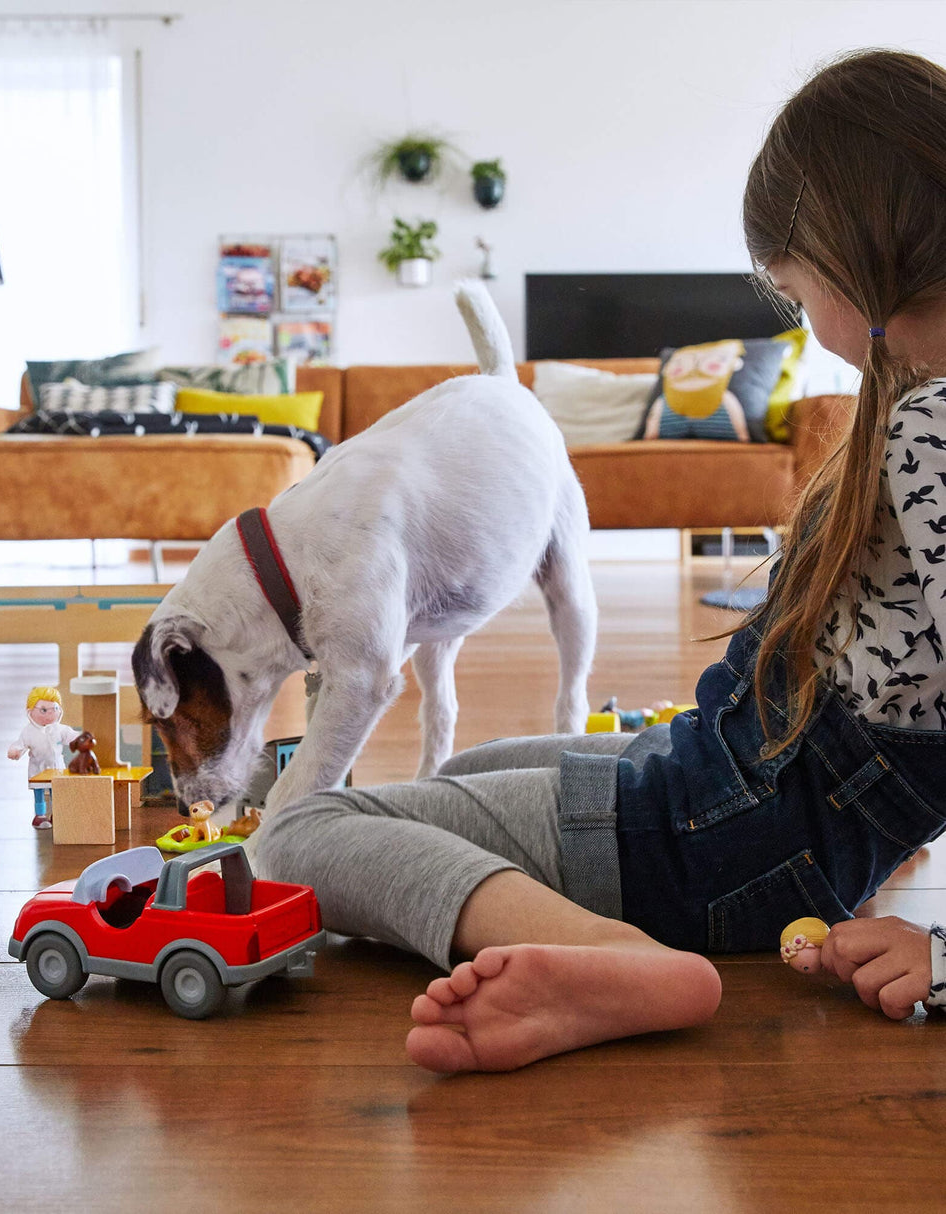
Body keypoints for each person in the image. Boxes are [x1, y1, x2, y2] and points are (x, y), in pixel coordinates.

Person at [255, 48, 946, 1073]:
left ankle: (613, 956)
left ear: (853, 250)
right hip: (742, 796)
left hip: (722, 842)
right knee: (473, 767)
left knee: (296, 835)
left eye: (796, 294)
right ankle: (584, 910)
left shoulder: (928, 423)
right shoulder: (919, 407)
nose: (807, 327)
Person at [7, 686, 81, 830]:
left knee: (57, 792)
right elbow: (20, 744)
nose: (50, 714)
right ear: (30, 712)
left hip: (56, 768)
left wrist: (81, 739)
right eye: (44, 710)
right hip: (38, 768)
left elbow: (72, 737)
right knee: (39, 792)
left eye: (54, 708)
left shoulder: (60, 729)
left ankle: (58, 814)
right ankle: (39, 816)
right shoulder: (28, 731)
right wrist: (15, 751)